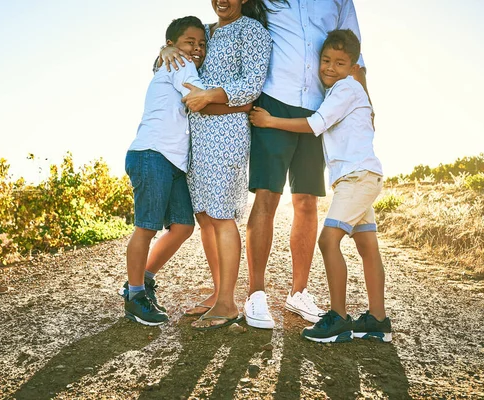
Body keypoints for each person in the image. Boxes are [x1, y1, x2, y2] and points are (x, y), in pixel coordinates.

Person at [249, 29, 391, 343]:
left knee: (328, 241)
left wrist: (270, 121)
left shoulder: (346, 89)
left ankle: (338, 317)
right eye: (325, 60)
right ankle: (378, 320)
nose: (329, 67)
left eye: (340, 63)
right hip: (361, 177)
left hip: (356, 179)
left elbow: (314, 125)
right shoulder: (345, 91)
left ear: (354, 67)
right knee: (367, 247)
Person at [161, 0, 272, 330]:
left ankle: (227, 303)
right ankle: (217, 293)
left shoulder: (252, 31)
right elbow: (177, 56)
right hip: (195, 134)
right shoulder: (203, 33)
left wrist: (210, 96)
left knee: (222, 215)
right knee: (206, 216)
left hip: (227, 132)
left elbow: (252, 84)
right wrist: (163, 50)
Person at [121, 16, 207, 326]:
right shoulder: (180, 65)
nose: (197, 48)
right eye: (190, 42)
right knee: (146, 227)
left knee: (183, 226)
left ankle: (142, 278)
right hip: (152, 154)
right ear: (173, 45)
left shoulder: (171, 61)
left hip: (172, 161)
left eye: (201, 43)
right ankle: (134, 295)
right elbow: (198, 97)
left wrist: (164, 50)